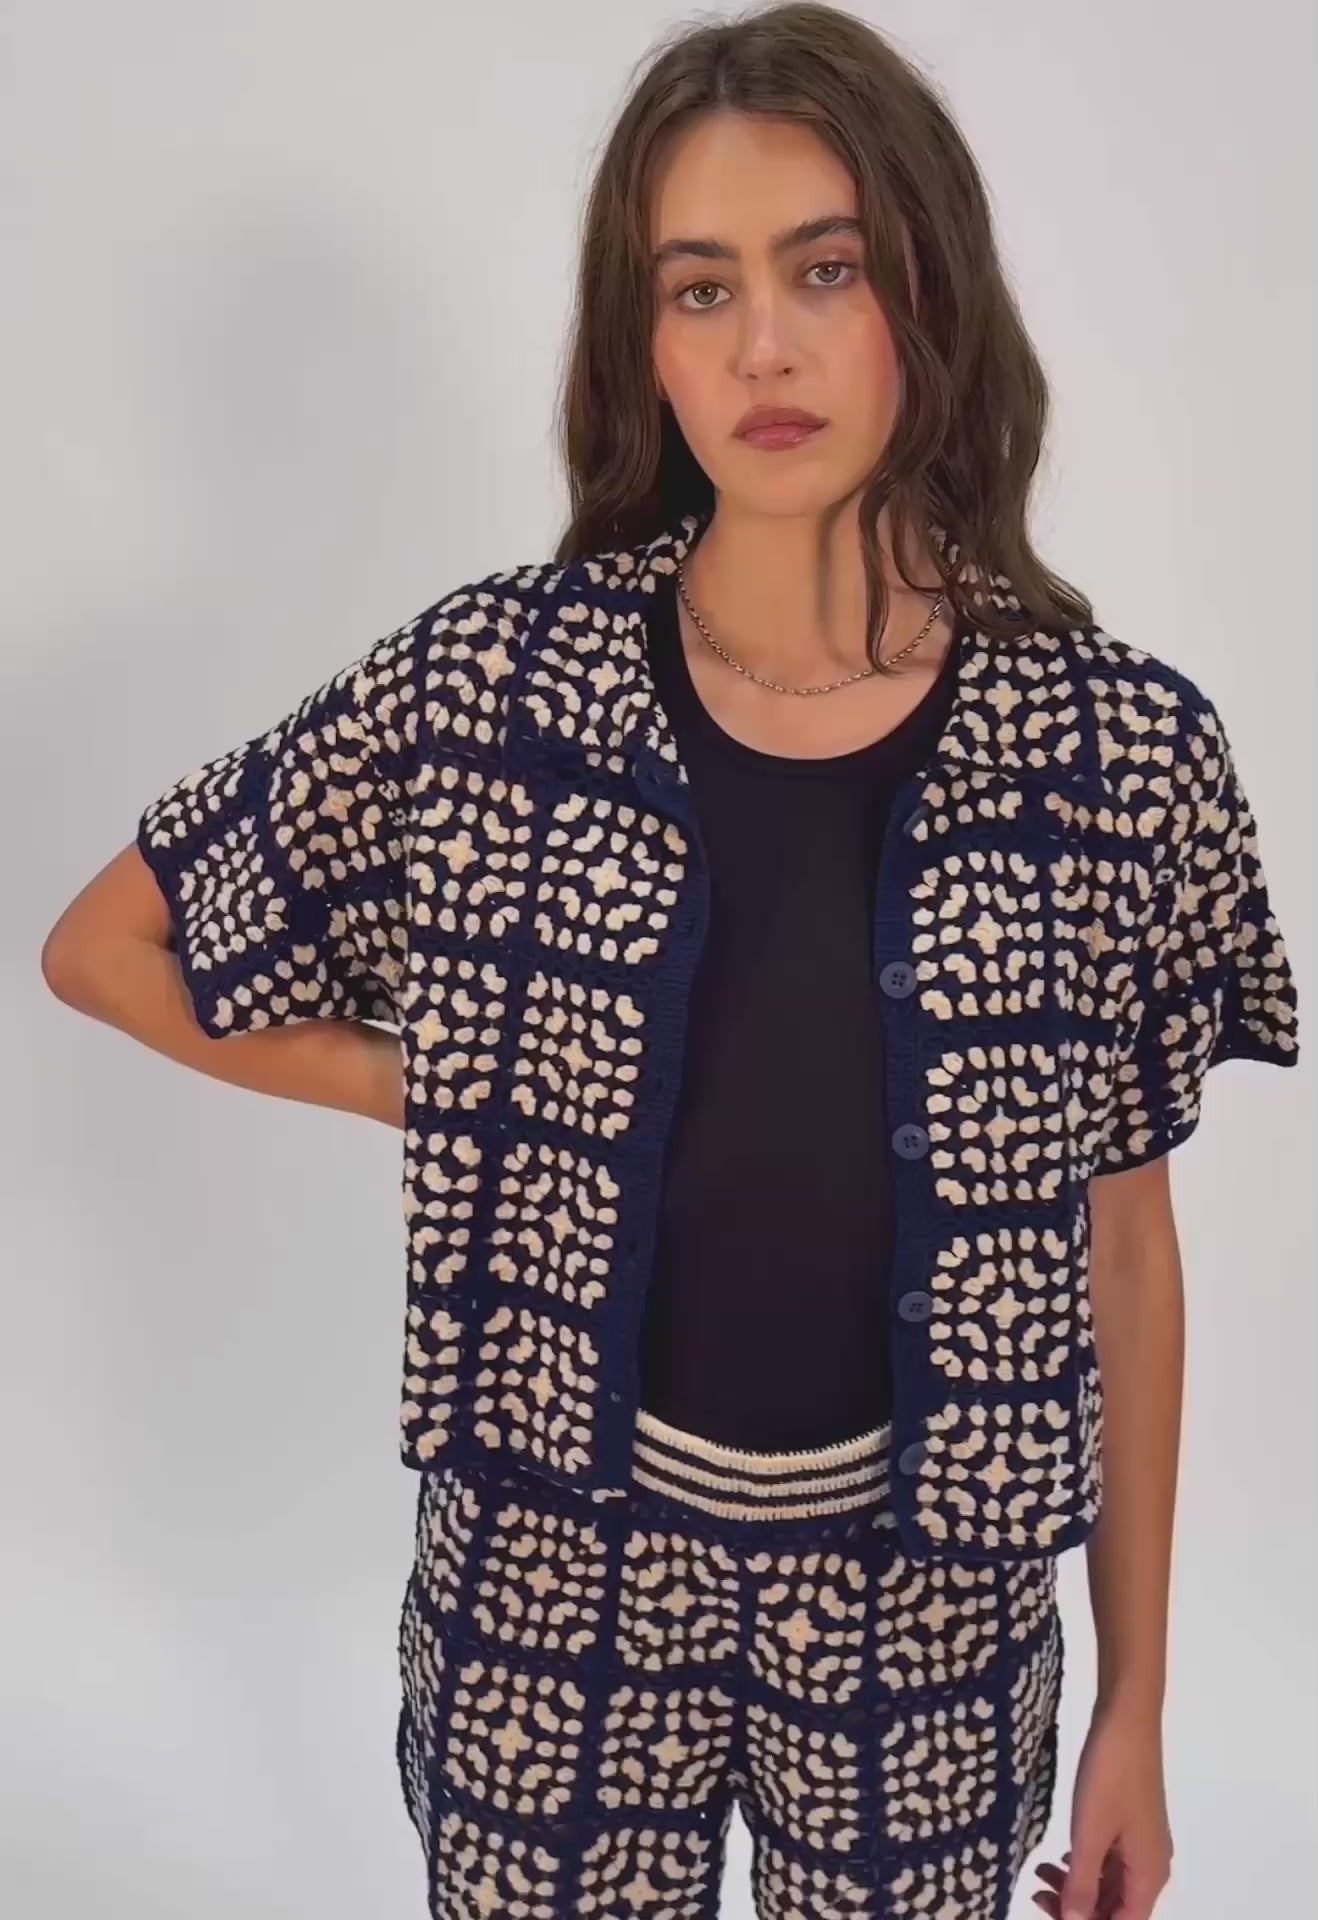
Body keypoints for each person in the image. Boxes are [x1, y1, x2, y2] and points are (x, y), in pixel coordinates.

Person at [41, 6, 1300, 1918]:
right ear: (640, 342)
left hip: (925, 1613)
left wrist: (1136, 1705)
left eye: (825, 270)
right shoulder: (497, 691)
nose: (761, 347)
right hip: (550, 1586)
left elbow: (1121, 1247)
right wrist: (435, 1083)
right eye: (698, 289)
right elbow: (105, 945)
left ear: (932, 294)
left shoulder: (1112, 753)